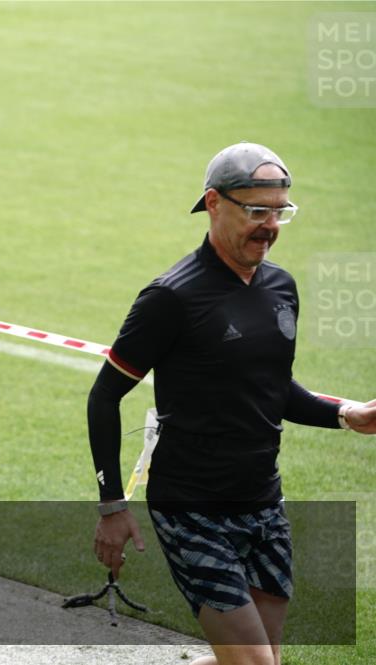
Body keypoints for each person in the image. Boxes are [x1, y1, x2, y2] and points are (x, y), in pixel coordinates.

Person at [86, 142, 375, 665]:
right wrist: (111, 507)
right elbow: (105, 395)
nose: (269, 225)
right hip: (191, 507)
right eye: (256, 211)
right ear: (214, 204)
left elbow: (272, 386)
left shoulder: (281, 288)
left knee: (256, 658)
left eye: (279, 211)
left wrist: (343, 415)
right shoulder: (171, 298)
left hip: (264, 502)